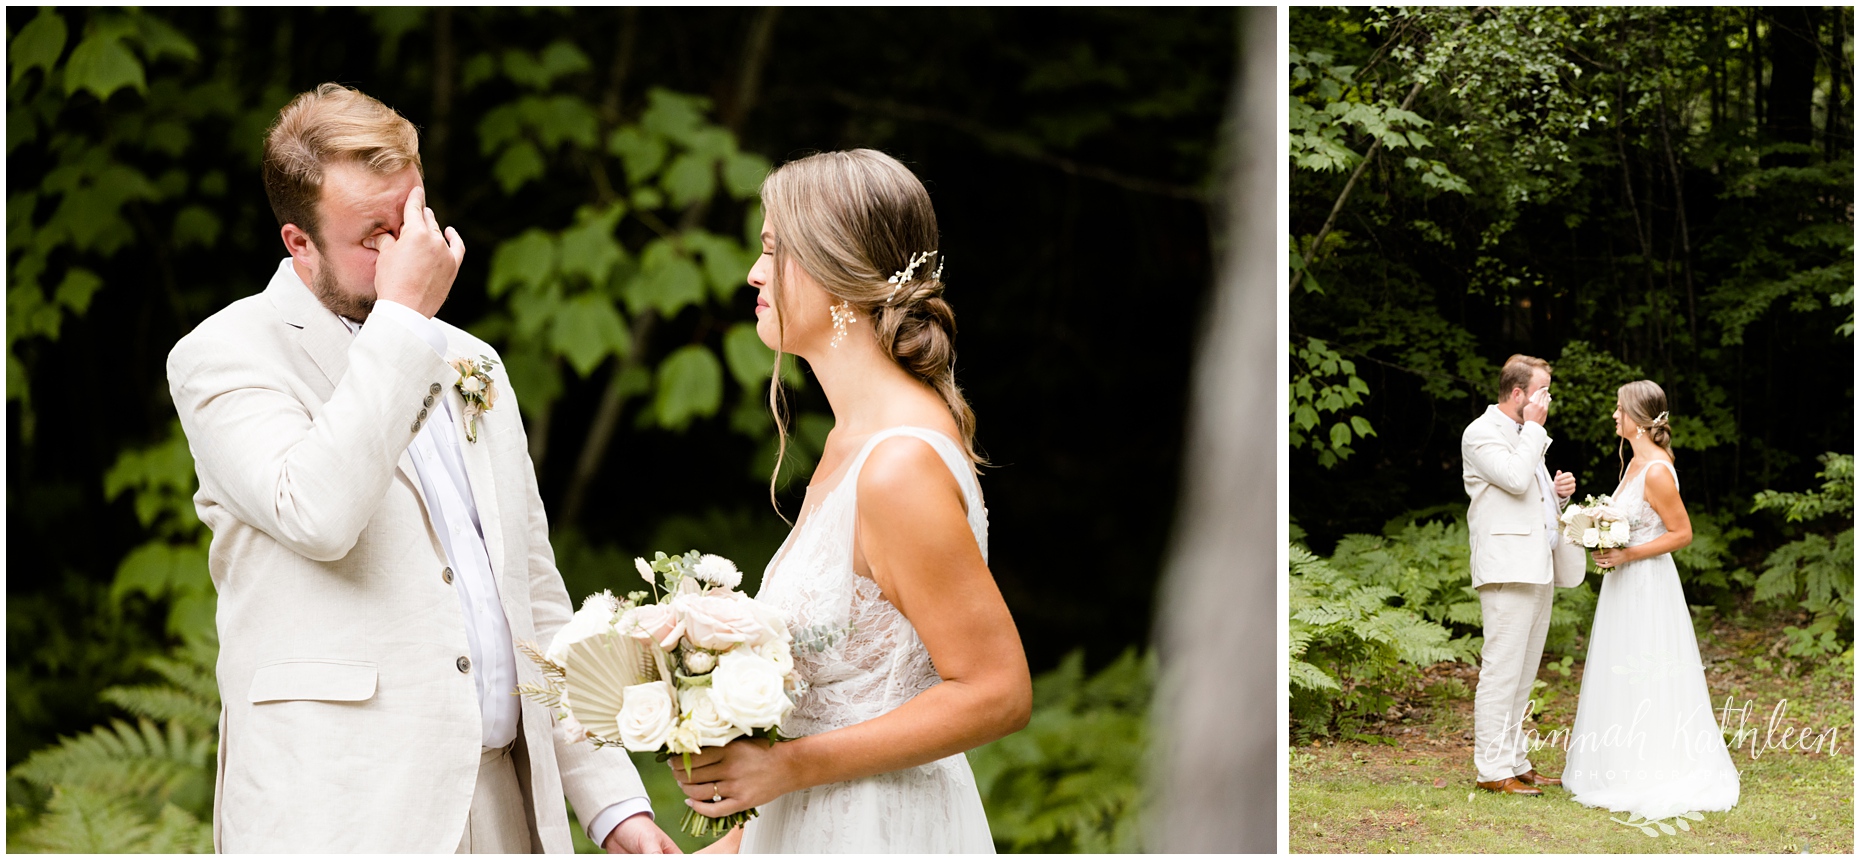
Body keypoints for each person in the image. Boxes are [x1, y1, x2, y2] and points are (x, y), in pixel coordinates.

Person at [167, 84, 678, 853]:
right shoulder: (225, 354)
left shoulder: (474, 363)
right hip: (340, 812)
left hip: (504, 806)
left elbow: (535, 597)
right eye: (377, 232)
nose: (411, 250)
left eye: (413, 217)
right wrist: (405, 325)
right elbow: (317, 513)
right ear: (298, 242)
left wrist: (615, 807)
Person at [664, 149, 1032, 853]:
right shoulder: (849, 444)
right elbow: (834, 710)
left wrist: (785, 768)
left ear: (836, 274)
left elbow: (998, 691)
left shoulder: (897, 466)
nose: (753, 273)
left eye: (774, 251)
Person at [1564, 381, 1740, 818]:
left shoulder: (1658, 471)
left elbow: (1682, 533)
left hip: (1647, 584)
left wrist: (1626, 553)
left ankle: (1656, 766)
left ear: (1639, 421)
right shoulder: (1633, 467)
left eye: (1618, 409)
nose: (1613, 415)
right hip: (1623, 583)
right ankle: (1619, 762)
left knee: (1647, 669)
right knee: (1620, 668)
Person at [1460, 354, 1583, 795]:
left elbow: (1523, 496)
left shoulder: (1524, 434)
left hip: (1537, 566)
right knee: (1501, 671)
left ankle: (1515, 760)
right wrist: (1534, 428)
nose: (1548, 399)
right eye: (1543, 390)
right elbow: (1512, 478)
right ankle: (1492, 770)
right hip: (1507, 568)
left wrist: (1556, 495)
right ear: (1519, 394)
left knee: (1524, 673)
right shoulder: (1480, 433)